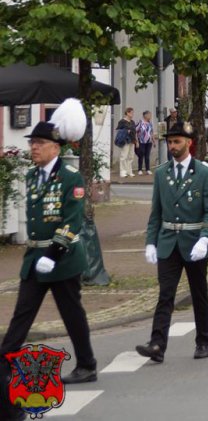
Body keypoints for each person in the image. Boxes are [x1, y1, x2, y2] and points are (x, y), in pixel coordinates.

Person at [0, 99, 98, 415]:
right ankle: (4, 361)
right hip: (35, 257)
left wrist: (55, 252)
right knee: (22, 313)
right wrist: (39, 252)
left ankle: (87, 364)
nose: (35, 148)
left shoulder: (71, 178)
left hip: (63, 258)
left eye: (40, 143)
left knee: (72, 313)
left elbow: (73, 220)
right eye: (33, 143)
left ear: (55, 148)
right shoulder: (31, 177)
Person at [134, 121, 208, 364]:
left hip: (194, 242)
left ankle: (203, 340)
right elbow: (156, 212)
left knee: (199, 293)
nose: (172, 146)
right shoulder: (162, 173)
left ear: (189, 143)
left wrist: (205, 238)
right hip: (168, 242)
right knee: (165, 295)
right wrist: (150, 241)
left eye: (177, 141)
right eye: (170, 142)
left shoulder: (205, 173)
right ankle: (157, 344)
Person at [116, 106, 138, 178]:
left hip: (132, 140)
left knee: (131, 156)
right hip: (125, 140)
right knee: (124, 156)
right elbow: (118, 131)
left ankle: (129, 171)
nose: (132, 114)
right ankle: (123, 171)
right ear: (127, 113)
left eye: (133, 113)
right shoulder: (122, 121)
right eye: (131, 113)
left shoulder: (132, 122)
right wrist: (126, 131)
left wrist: (136, 141)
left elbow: (135, 132)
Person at [136, 110, 155, 175]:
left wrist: (153, 141)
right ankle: (140, 169)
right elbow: (136, 131)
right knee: (141, 155)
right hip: (141, 141)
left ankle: (148, 169)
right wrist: (136, 141)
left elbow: (151, 132)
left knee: (147, 156)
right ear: (145, 115)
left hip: (149, 141)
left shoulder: (150, 123)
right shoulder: (140, 122)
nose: (150, 116)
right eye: (149, 115)